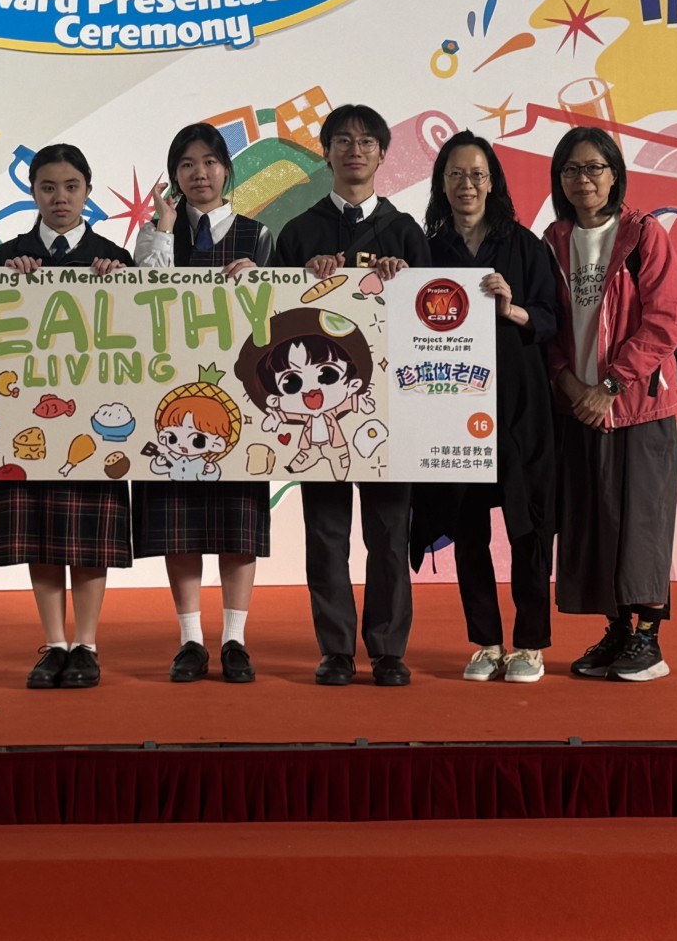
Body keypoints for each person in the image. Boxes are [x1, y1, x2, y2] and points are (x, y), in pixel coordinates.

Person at [272, 104, 430, 686]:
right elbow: (273, 321)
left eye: (366, 142)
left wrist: (404, 278)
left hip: (388, 408)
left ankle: (388, 649)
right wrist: (303, 279)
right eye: (342, 140)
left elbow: (433, 321)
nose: (354, 150)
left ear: (383, 154)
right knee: (326, 534)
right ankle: (336, 649)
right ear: (326, 153)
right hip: (318, 413)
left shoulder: (405, 232)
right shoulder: (298, 232)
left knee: (389, 535)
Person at [411, 132, 559, 684]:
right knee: (467, 528)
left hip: (519, 408)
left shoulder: (525, 246)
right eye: (455, 174)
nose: (466, 185)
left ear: (492, 181)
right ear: (441, 183)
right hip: (453, 409)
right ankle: (487, 643)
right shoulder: (428, 251)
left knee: (527, 529)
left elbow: (552, 320)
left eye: (476, 174)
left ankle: (530, 644)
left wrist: (512, 308)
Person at [0, 143, 135, 689]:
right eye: (48, 188)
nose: (60, 198)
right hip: (23, 422)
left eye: (71, 187)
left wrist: (120, 283)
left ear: (87, 191)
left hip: (97, 421)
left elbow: (141, 338)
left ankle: (87, 645)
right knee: (39, 532)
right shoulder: (6, 259)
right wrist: (5, 283)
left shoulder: (114, 261)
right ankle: (53, 644)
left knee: (90, 535)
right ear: (33, 193)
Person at [543, 126, 677, 683]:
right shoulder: (554, 239)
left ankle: (648, 639)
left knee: (642, 523)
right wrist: (569, 385)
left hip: (636, 409)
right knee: (595, 523)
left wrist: (609, 387)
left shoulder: (643, 234)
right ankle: (617, 632)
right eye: (571, 170)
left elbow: (666, 321)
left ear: (614, 174)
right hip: (579, 408)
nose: (583, 179)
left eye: (594, 168)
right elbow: (548, 326)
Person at [132, 122, 274, 685]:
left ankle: (235, 639)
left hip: (240, 402)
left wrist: (260, 279)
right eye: (187, 164)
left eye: (210, 162)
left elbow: (279, 311)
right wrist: (164, 229)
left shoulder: (259, 235)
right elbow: (146, 295)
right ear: (174, 175)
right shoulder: (155, 234)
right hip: (166, 399)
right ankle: (190, 640)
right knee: (179, 522)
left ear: (226, 169)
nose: (200, 174)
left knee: (238, 522)